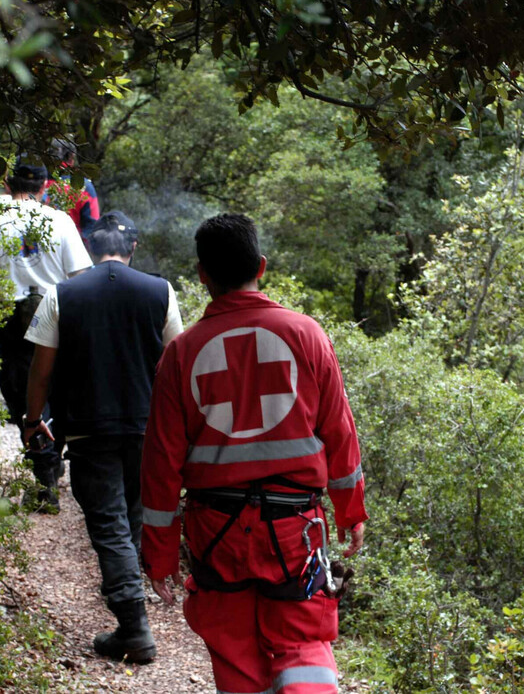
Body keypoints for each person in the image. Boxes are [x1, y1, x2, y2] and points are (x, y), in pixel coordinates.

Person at [141, 213, 367, 693]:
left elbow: (160, 466)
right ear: (261, 266)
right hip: (293, 531)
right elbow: (339, 435)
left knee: (236, 654)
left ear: (203, 274)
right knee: (304, 642)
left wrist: (159, 555)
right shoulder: (307, 335)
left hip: (214, 533)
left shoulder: (181, 354)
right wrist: (350, 511)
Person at [22, 210, 183, 663]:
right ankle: (128, 595)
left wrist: (34, 420)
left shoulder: (62, 293)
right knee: (130, 516)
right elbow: (176, 362)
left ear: (91, 250)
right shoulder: (160, 291)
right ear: (133, 248)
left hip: (89, 428)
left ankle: (133, 626)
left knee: (110, 525)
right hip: (147, 427)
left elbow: (41, 369)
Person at [0, 159, 93, 510]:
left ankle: (43, 473)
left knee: (22, 389)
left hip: (7, 314)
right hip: (53, 311)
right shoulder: (59, 220)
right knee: (56, 386)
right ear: (44, 186)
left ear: (8, 182)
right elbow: (81, 277)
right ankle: (49, 465)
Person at [44, 138, 100, 238]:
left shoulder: (38, 183)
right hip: (74, 248)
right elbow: (92, 228)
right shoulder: (83, 187)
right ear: (71, 157)